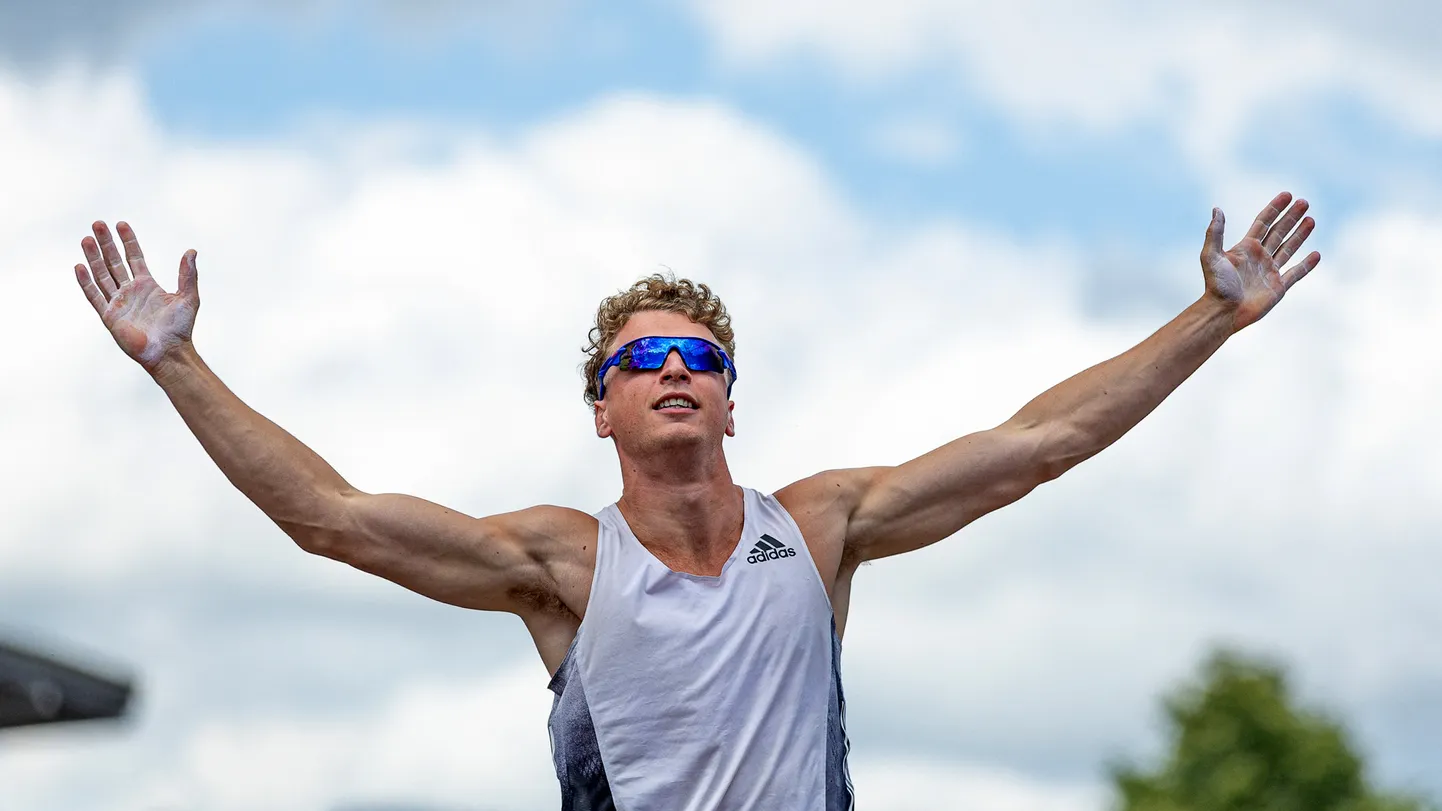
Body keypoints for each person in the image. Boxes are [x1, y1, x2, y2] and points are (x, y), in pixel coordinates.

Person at [72, 193, 1320, 810]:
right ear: (601, 411)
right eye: (639, 360)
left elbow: (1041, 440)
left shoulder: (822, 525)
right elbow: (329, 517)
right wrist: (176, 362)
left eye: (699, 360)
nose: (673, 370)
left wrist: (1210, 316)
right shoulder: (560, 563)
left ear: (729, 402)